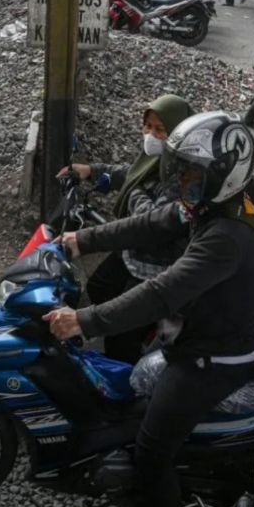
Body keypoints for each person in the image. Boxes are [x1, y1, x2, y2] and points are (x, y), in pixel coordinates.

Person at [43, 112, 254, 507]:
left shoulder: (226, 235)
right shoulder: (216, 203)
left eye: (191, 172)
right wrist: (80, 240)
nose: (182, 180)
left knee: (152, 449)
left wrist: (83, 321)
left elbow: (161, 293)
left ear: (223, 175)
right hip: (202, 331)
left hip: (215, 356)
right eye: (179, 169)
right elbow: (151, 223)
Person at [55, 94, 194, 362]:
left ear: (178, 132)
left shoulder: (184, 175)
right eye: (148, 126)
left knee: (122, 336)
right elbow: (133, 174)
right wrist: (92, 171)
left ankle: (127, 380)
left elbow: (152, 219)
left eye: (159, 129)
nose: (150, 134)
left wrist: (134, 193)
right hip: (134, 251)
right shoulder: (158, 160)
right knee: (99, 287)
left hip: (156, 267)